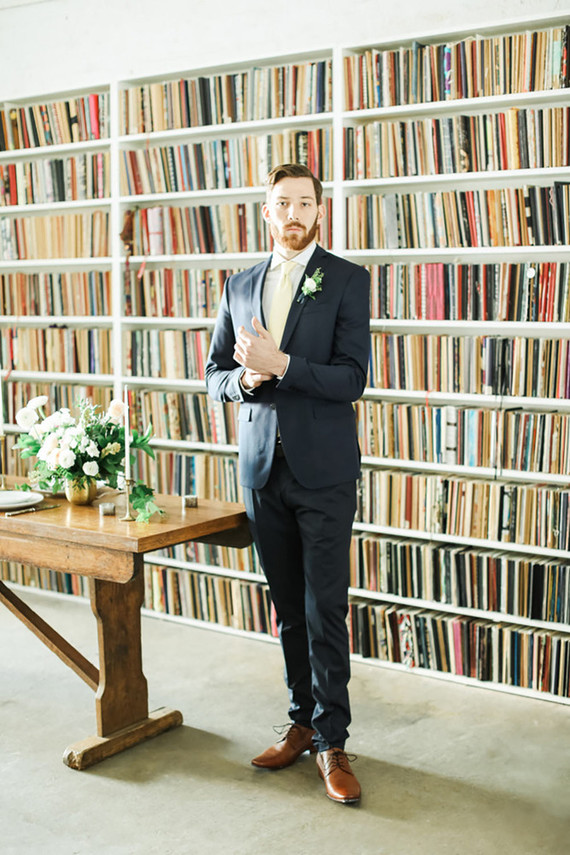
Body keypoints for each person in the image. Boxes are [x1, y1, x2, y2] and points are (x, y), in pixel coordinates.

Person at [205, 163, 370, 804]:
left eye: (306, 202)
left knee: (324, 609)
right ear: (266, 212)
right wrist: (246, 380)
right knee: (287, 613)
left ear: (319, 212)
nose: (295, 213)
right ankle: (302, 721)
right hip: (261, 473)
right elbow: (215, 373)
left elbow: (351, 378)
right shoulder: (240, 284)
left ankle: (334, 742)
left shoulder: (346, 280)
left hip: (324, 473)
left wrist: (285, 365)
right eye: (284, 203)